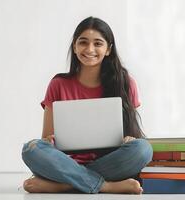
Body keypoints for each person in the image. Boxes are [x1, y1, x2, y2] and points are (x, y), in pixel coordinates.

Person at [21, 16, 153, 194]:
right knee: (31, 149)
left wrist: (129, 139)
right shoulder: (58, 84)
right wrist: (50, 140)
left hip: (109, 162)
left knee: (143, 149)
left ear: (108, 49)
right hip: (65, 162)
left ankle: (65, 184)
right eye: (83, 42)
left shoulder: (126, 83)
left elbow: (133, 135)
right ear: (75, 46)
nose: (90, 49)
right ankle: (105, 186)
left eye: (98, 43)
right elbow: (46, 139)